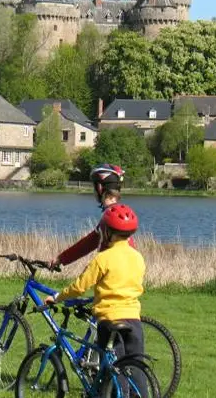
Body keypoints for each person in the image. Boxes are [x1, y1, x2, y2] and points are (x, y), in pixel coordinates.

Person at [44, 204, 149, 397]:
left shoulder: (103, 258)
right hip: (134, 319)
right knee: (137, 367)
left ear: (107, 232)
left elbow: (79, 287)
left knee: (114, 370)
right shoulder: (138, 257)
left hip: (109, 320)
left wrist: (57, 297)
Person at [50, 164, 136, 268]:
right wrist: (61, 259)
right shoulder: (118, 214)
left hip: (113, 277)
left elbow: (87, 245)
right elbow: (90, 242)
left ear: (99, 188)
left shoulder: (110, 218)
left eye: (94, 187)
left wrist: (61, 259)